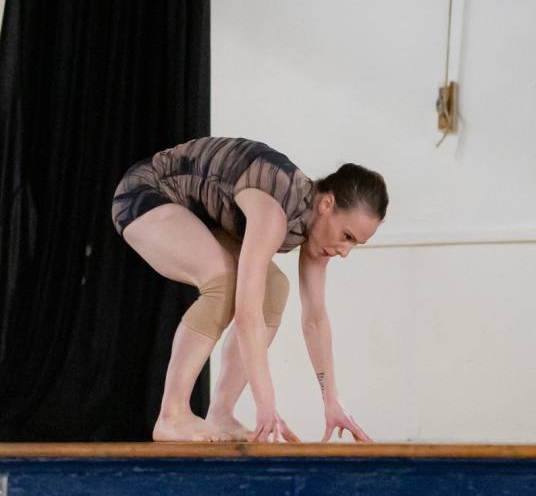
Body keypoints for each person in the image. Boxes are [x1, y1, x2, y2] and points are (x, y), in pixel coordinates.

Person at [111, 136, 387, 443]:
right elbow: (246, 312)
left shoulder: (314, 232)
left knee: (274, 287)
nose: (345, 251)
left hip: (194, 214)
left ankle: (222, 413)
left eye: (355, 244)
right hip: (146, 194)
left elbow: (315, 319)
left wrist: (332, 401)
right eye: (346, 235)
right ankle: (172, 414)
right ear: (326, 204)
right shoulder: (276, 210)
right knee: (224, 283)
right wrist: (266, 403)